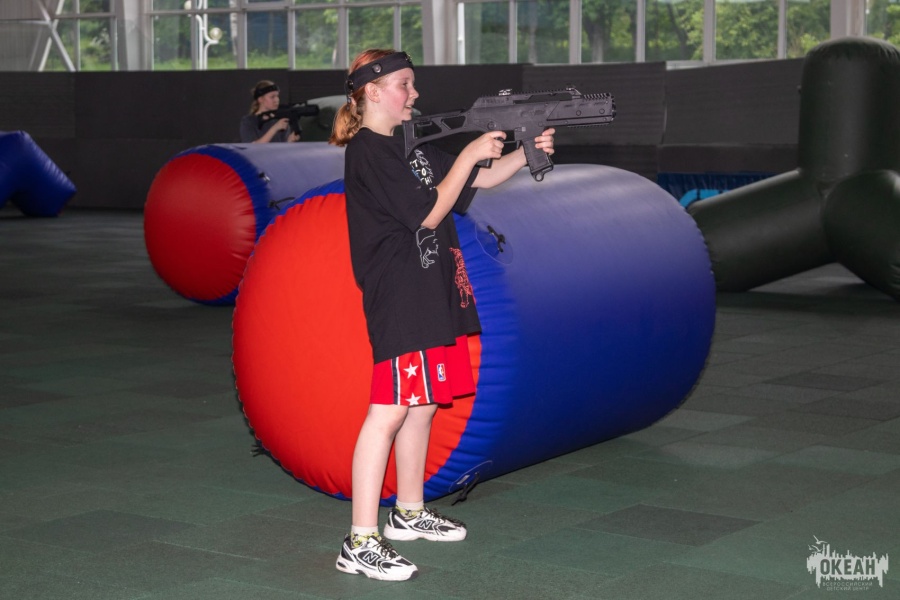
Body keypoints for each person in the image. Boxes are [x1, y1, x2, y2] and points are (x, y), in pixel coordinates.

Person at [328, 49, 554, 582]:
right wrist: (469, 153)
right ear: (373, 91)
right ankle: (360, 540)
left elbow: (476, 183)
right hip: (401, 294)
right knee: (388, 412)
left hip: (434, 287)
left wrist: (526, 152)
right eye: (405, 84)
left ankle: (408, 511)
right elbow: (428, 211)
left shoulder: (411, 146)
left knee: (424, 404)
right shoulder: (368, 151)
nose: (415, 93)